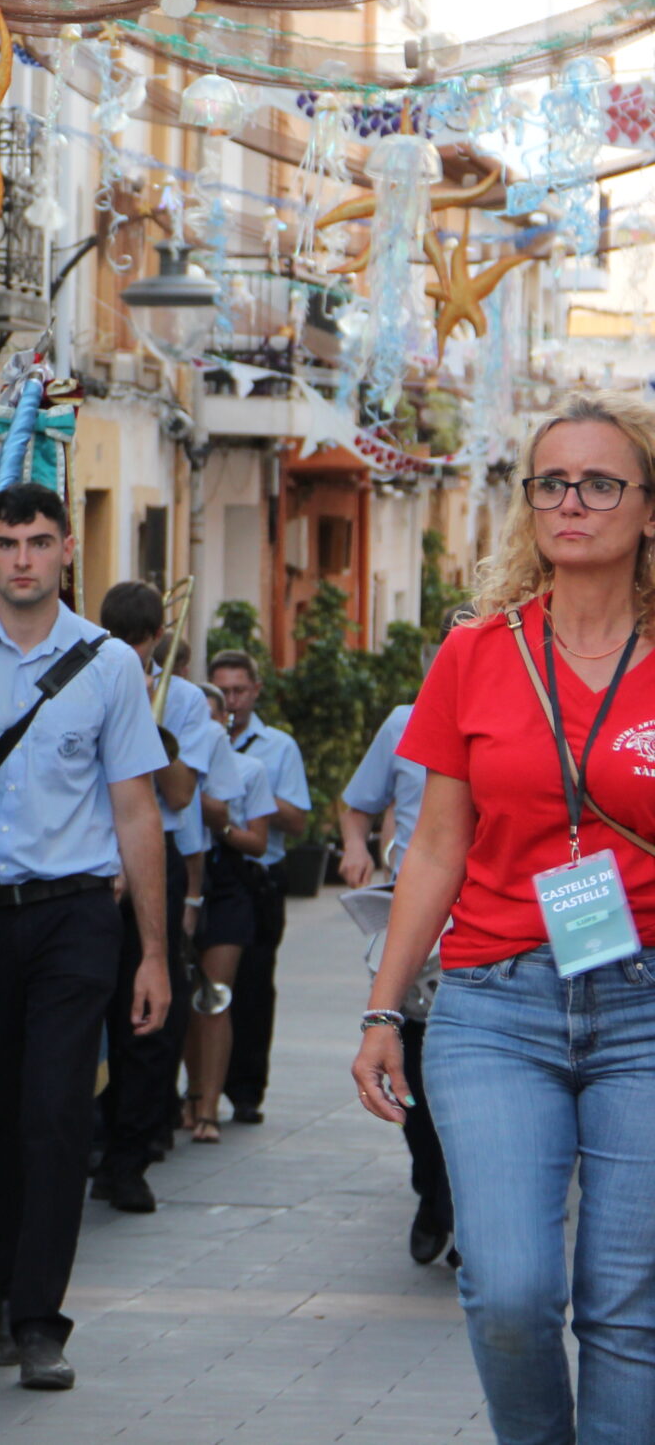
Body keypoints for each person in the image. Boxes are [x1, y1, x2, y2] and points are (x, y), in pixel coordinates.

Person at [354, 393, 655, 1445]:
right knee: (512, 1293)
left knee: (626, 1307)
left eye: (600, 483)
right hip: (493, 1005)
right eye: (551, 483)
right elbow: (434, 844)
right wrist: (382, 1010)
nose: (571, 503)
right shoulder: (477, 654)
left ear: (648, 509)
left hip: (645, 1009)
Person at [0, 482, 169, 1393]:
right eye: (7, 541)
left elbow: (137, 812)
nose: (23, 557)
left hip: (72, 916)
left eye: (39, 541)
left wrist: (152, 952)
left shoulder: (108, 666)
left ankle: (38, 1318)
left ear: (68, 550)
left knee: (58, 1113)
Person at [89, 581, 203, 1215]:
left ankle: (131, 1157)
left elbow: (182, 795)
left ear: (158, 639)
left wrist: (149, 731)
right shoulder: (92, 678)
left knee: (151, 1021)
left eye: (140, 641)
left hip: (155, 866)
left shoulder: (182, 699)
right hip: (100, 866)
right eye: (120, 640)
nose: (131, 652)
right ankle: (96, 1141)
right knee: (91, 1010)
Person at [340, 696, 453, 1267]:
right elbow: (357, 805)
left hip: (492, 930)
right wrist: (357, 847)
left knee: (465, 1075)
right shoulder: (406, 722)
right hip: (417, 927)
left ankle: (456, 1201)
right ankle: (430, 1186)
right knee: (409, 1069)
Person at [207, 648, 311, 1124]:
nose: (231, 701)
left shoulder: (277, 747)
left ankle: (246, 1090)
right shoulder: (199, 735)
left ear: (255, 691)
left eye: (239, 691)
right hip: (209, 869)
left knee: (253, 985)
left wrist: (255, 795)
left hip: (258, 875)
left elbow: (298, 821)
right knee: (207, 986)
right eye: (223, 691)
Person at [183, 696, 273, 1145]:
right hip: (182, 880)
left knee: (214, 997)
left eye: (213, 715)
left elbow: (259, 842)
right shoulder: (170, 763)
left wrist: (218, 824)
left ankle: (209, 1106)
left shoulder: (248, 769)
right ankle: (192, 1091)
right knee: (182, 994)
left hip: (228, 883)